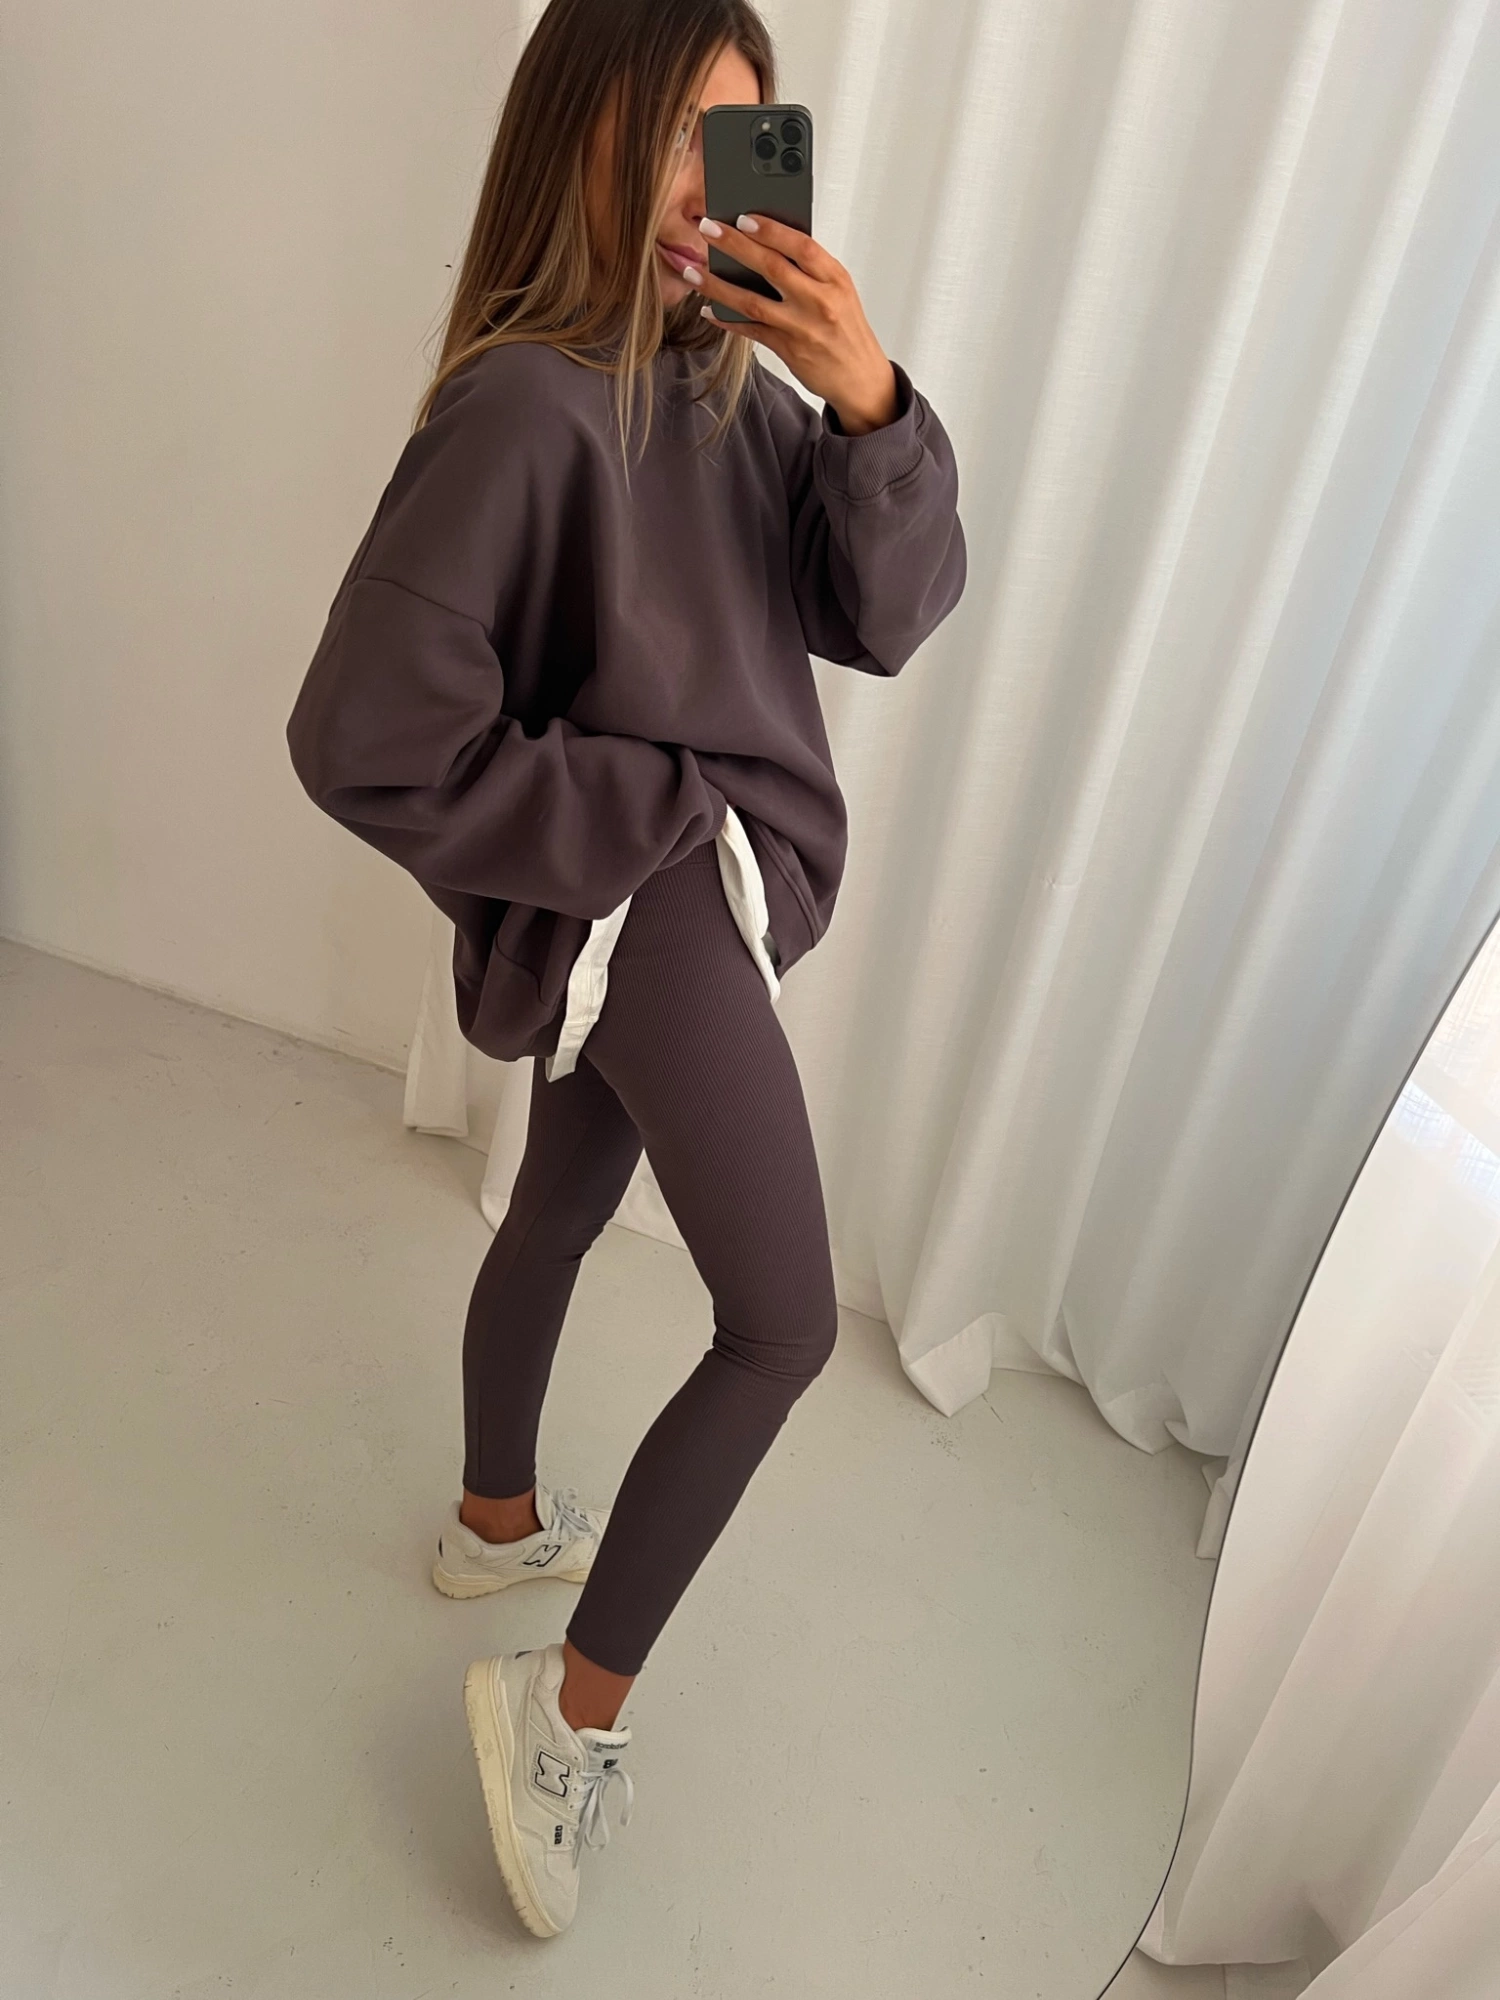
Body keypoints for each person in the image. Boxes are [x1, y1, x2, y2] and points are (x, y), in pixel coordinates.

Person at [285, 0, 966, 1939]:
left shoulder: (733, 395)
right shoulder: (526, 404)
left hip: (672, 882)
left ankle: (493, 1520)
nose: (702, 192)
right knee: (784, 1325)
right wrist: (640, 813)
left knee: (564, 1206)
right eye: (669, 135)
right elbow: (362, 735)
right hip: (653, 890)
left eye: (736, 147)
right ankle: (564, 1711)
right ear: (573, 135)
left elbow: (882, 615)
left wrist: (871, 407)